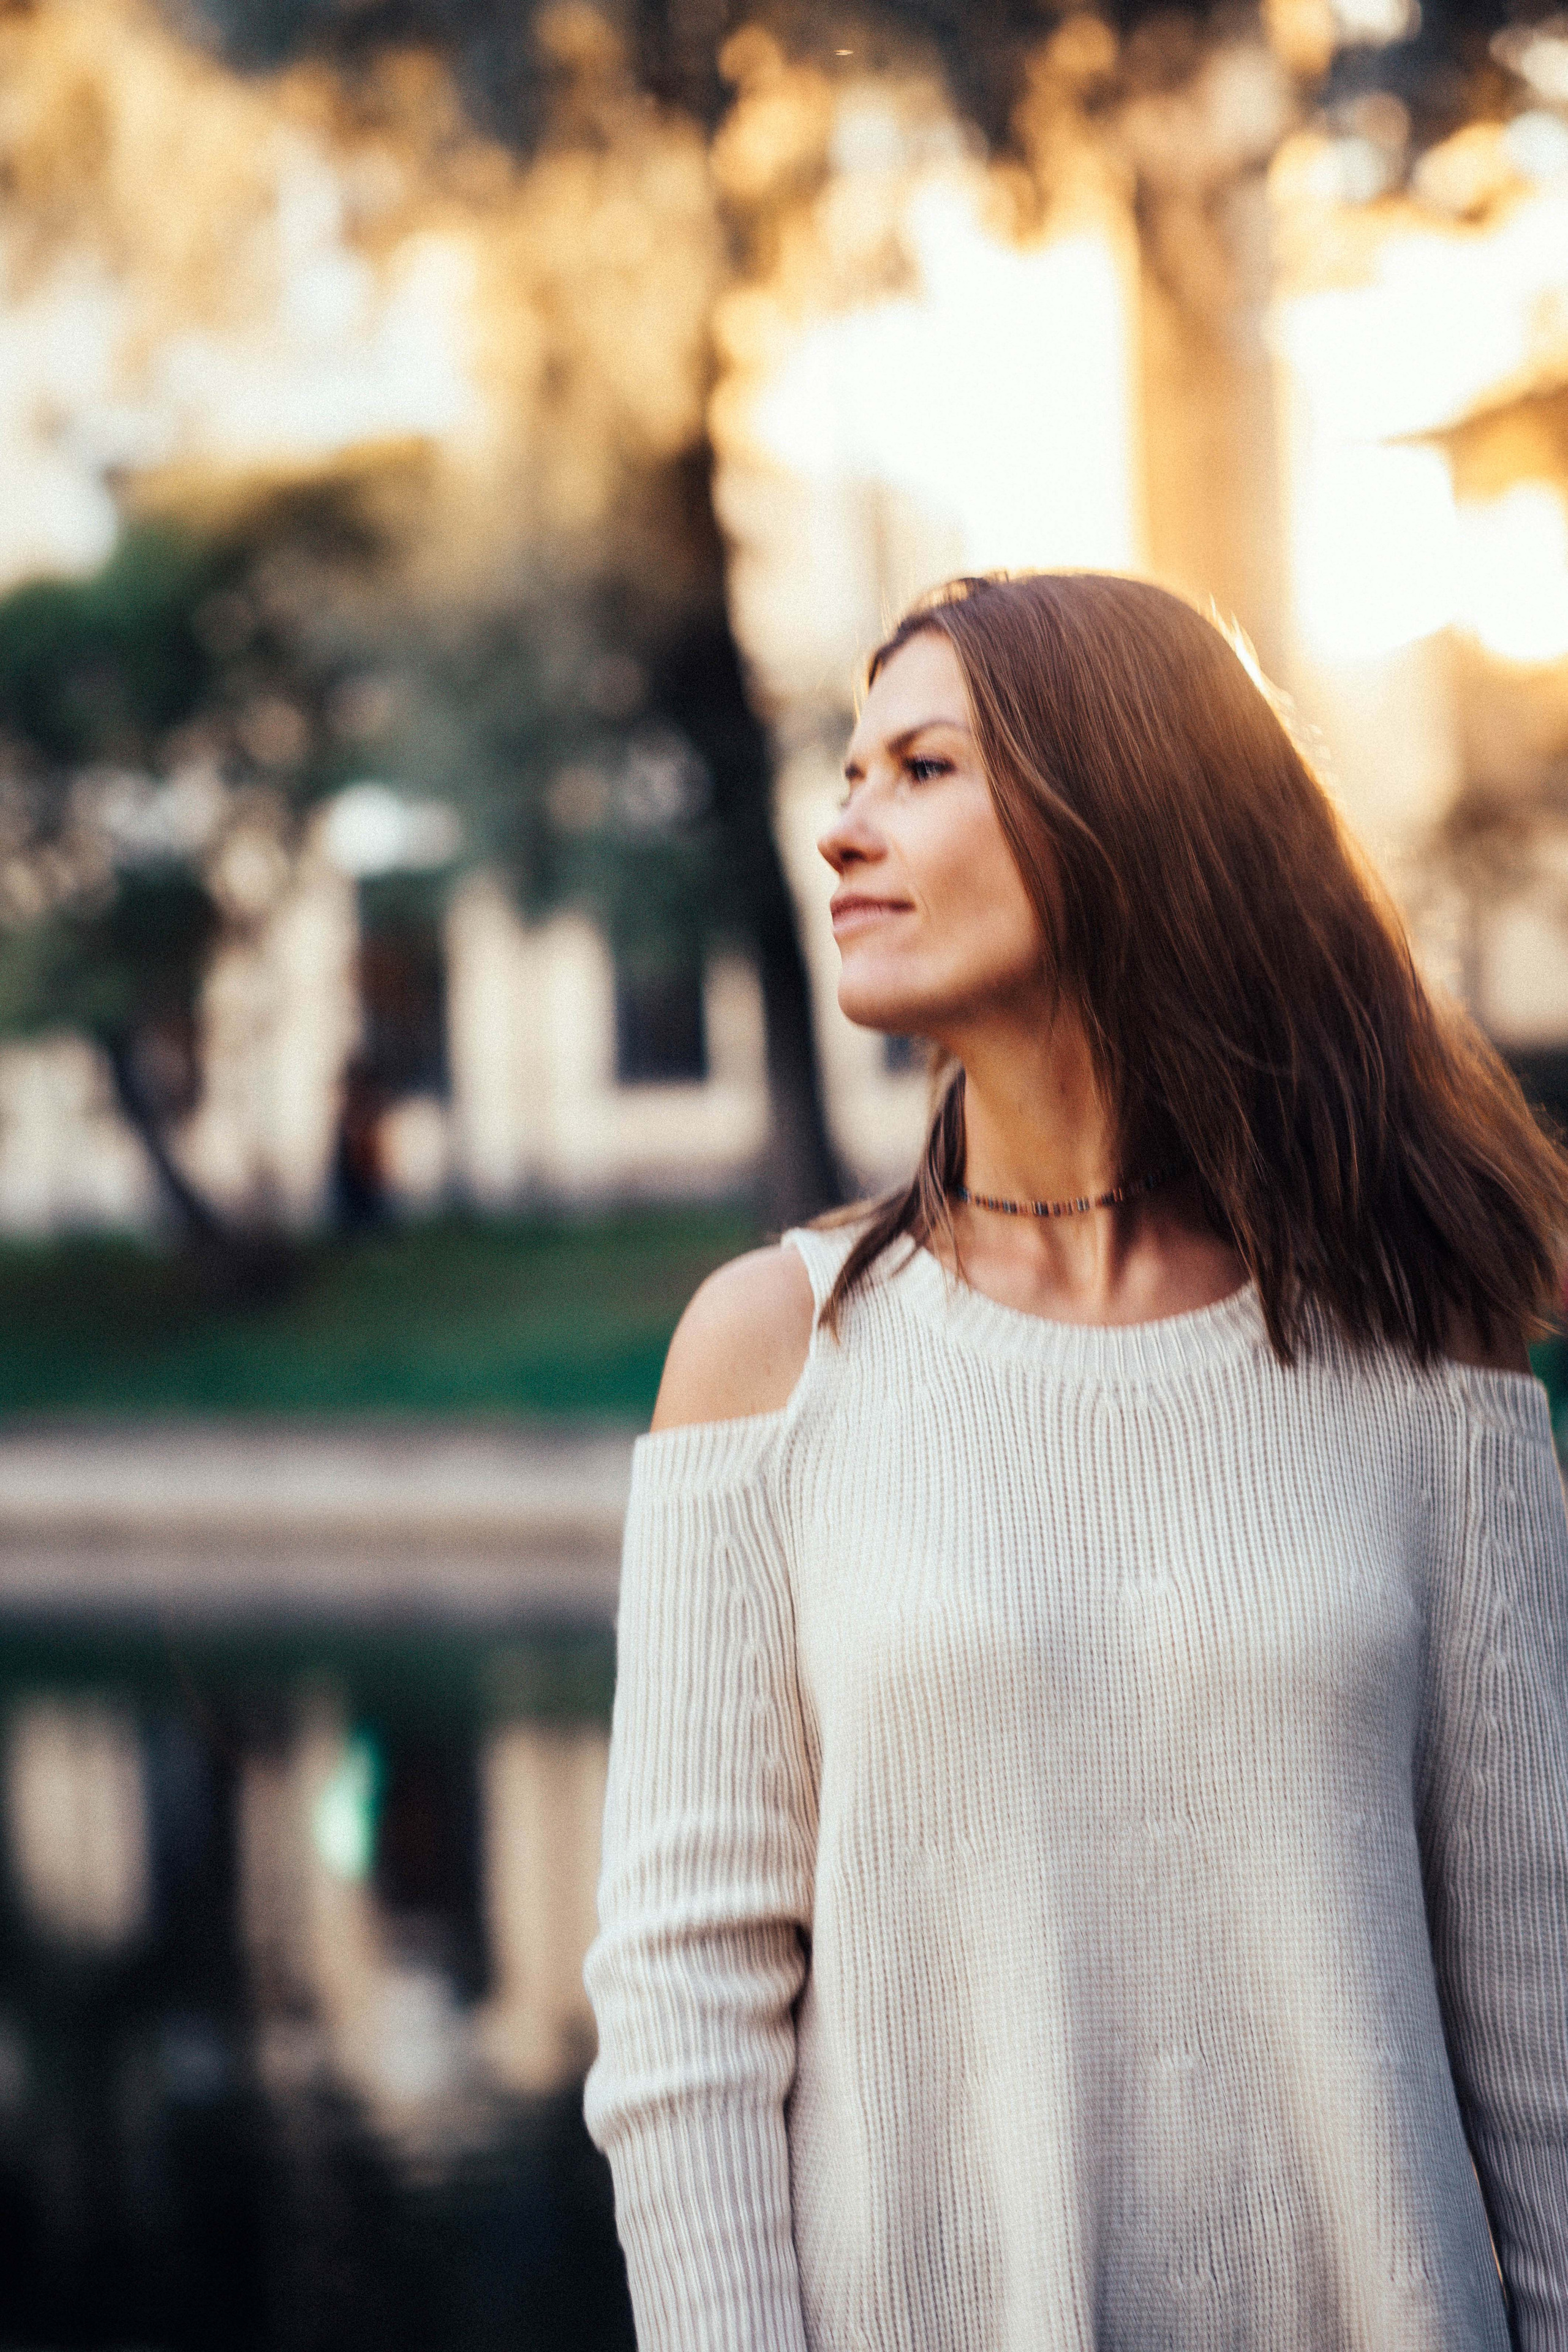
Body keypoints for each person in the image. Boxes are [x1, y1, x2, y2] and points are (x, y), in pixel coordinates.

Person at [582, 571, 1568, 2351]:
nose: (843, 831)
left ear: (1123, 810)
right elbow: (685, 2014)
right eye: (850, 775)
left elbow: (1538, 2013)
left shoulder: (1429, 1355)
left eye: (922, 770)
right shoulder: (770, 1354)